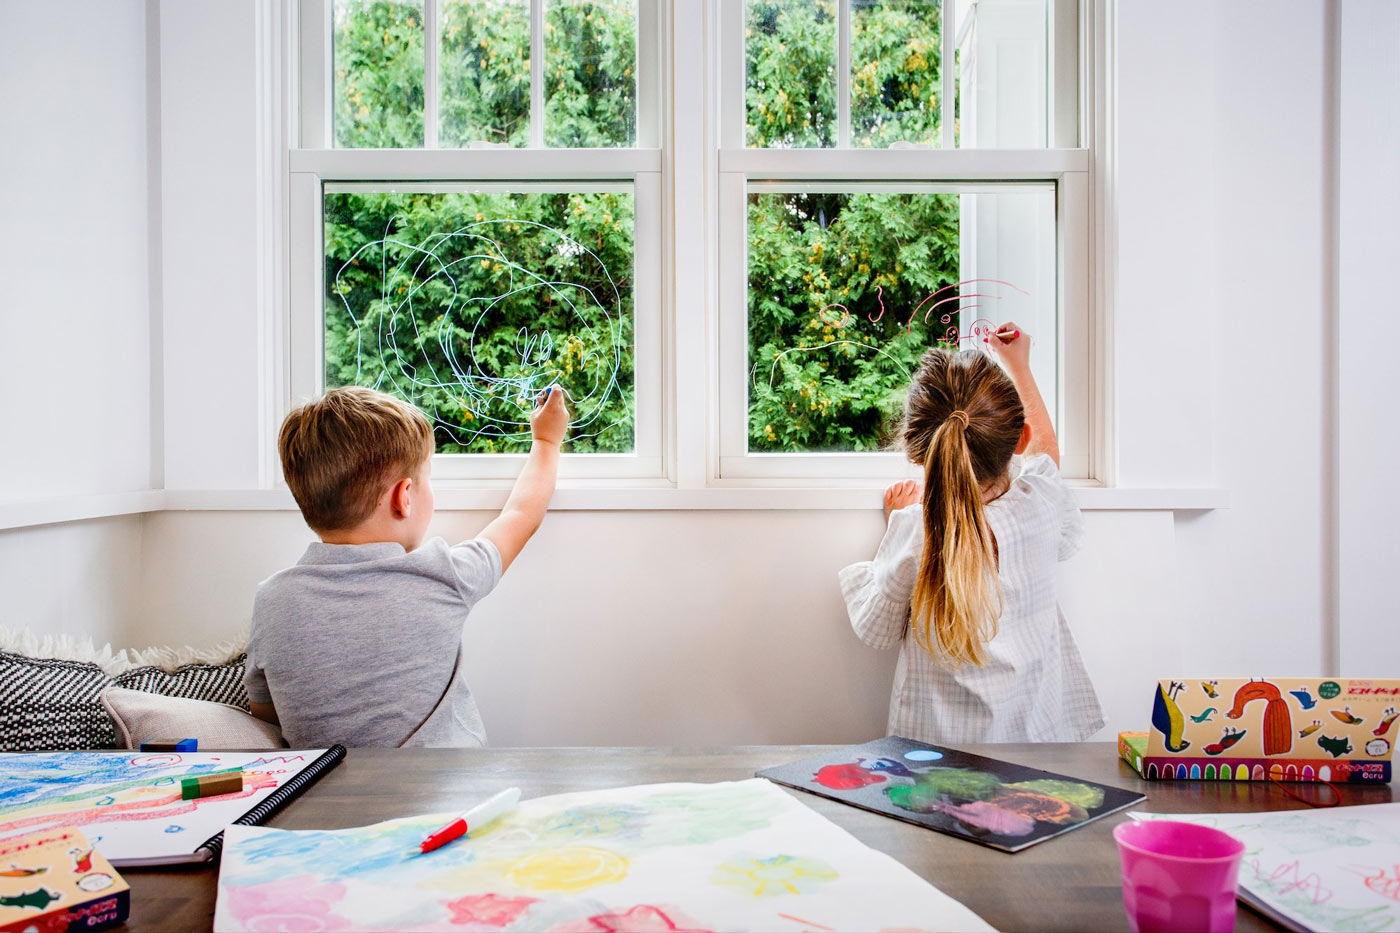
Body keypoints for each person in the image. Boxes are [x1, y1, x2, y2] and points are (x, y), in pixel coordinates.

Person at [244, 384, 568, 747]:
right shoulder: (443, 575)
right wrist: (546, 441)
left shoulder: (272, 600)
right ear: (404, 497)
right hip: (450, 795)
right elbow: (521, 515)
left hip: (329, 799)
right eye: (427, 480)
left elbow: (265, 711)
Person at [839, 325, 1102, 743]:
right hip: (1039, 746)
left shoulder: (918, 530)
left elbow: (877, 627)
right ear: (1019, 440)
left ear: (917, 451)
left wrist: (901, 516)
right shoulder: (1040, 504)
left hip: (940, 758)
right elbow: (1045, 457)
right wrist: (1020, 367)